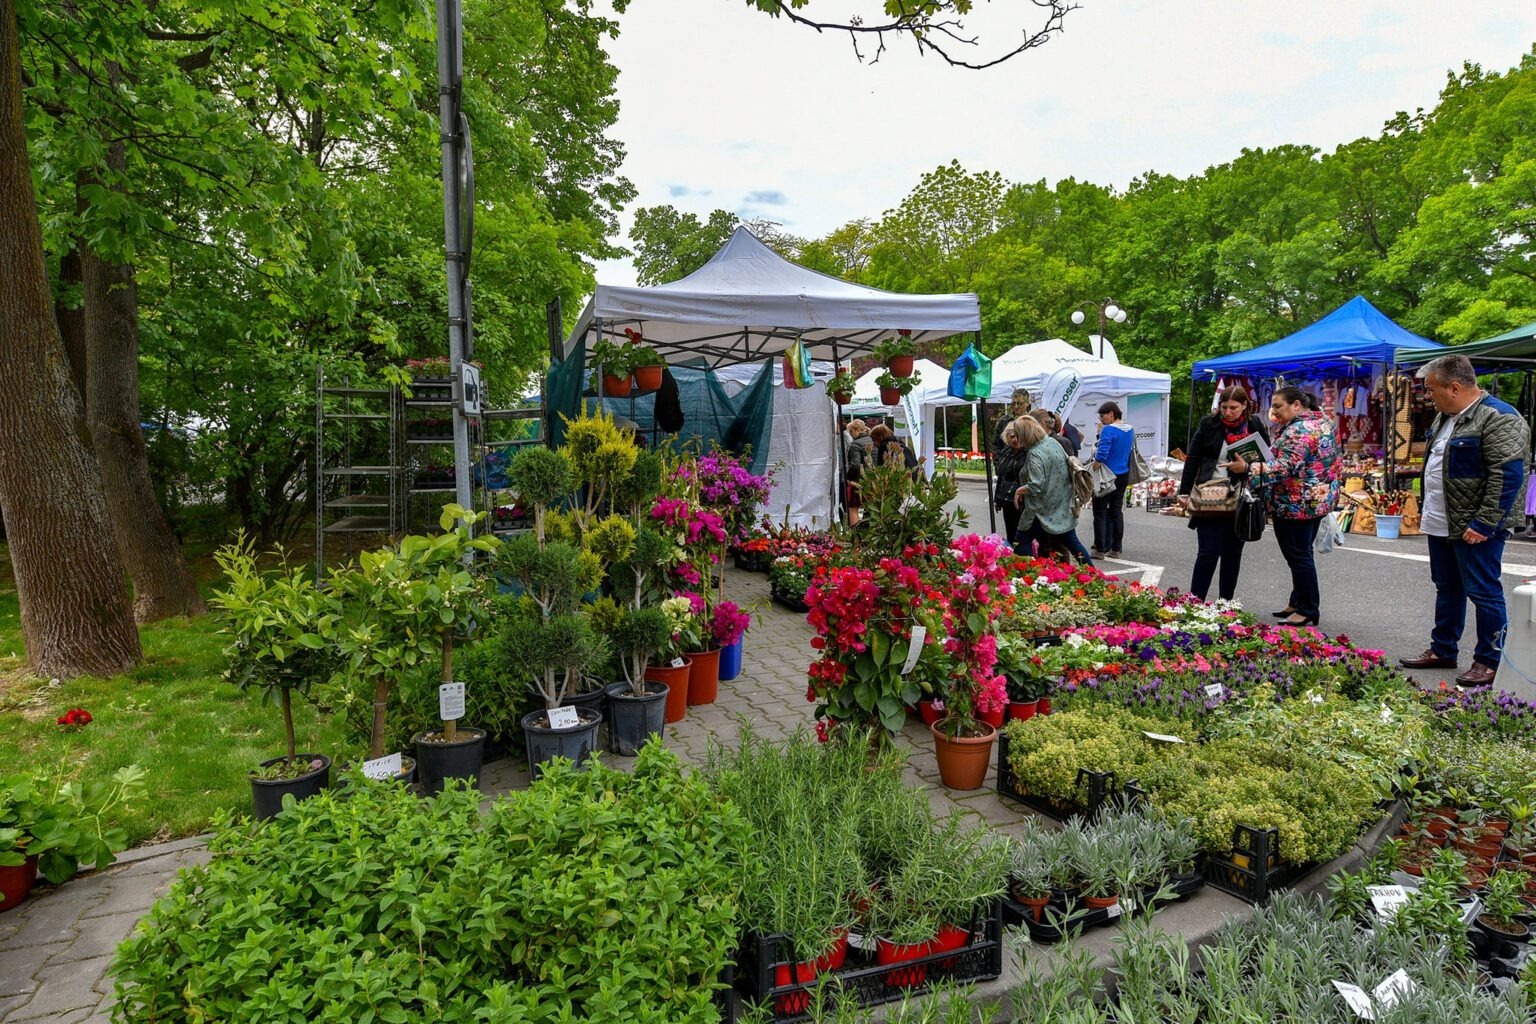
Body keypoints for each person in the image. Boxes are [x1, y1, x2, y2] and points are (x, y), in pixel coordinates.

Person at [1398, 354, 1530, 684]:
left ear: (1454, 387)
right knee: (1447, 588)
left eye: (1431, 390)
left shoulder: (1500, 417)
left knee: (1484, 591)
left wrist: (1485, 523)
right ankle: (1443, 649)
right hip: (1443, 519)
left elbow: (1509, 475)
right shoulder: (1445, 417)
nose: (1428, 396)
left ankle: (1490, 660)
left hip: (1476, 525)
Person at [1231, 386, 1340, 628]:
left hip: (1296, 502)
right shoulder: (1322, 422)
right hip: (1315, 499)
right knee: (1302, 554)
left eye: (1278, 406)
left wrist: (1248, 469)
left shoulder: (1299, 429)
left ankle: (1308, 608)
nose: (1274, 411)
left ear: (1297, 405)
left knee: (1299, 557)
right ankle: (1298, 601)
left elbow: (1285, 467)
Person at [1176, 386, 1270, 601]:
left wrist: (1251, 470)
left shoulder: (1254, 424)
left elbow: (1266, 458)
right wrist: (1184, 492)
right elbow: (1193, 458)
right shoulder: (1209, 424)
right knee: (1208, 552)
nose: (1228, 412)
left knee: (1233, 553)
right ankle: (1195, 601)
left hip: (1242, 495)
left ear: (1244, 405)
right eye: (1224, 407)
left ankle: (1225, 603)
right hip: (1210, 493)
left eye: (1234, 408)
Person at [1011, 416, 1089, 564]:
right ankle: (1093, 575)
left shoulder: (1035, 453)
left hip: (1040, 509)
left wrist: (1020, 490)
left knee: (1022, 540)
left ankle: (1027, 573)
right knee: (1072, 543)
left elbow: (1036, 485)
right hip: (1061, 504)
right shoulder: (1052, 442)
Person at [1089, 401, 1136, 559]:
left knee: (1100, 512)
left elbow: (1102, 453)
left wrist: (1093, 466)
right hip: (1123, 474)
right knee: (1116, 511)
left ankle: (1100, 549)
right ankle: (1116, 548)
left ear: (1111, 413)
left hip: (1107, 475)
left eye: (1102, 416)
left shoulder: (1108, 430)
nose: (1101, 420)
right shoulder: (1130, 429)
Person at [991, 389, 1032, 544]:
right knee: (1011, 527)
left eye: (1020, 403)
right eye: (1013, 403)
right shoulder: (1004, 421)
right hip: (1007, 471)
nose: (1016, 407)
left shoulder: (1030, 421)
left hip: (1024, 473)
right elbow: (996, 446)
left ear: (1027, 403)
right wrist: (1000, 464)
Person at [844, 419, 875, 526]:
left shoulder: (855, 445)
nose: (851, 435)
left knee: (853, 508)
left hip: (859, 481)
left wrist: (848, 477)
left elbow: (855, 465)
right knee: (873, 508)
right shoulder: (873, 441)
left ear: (857, 430)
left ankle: (855, 534)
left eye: (851, 432)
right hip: (876, 481)